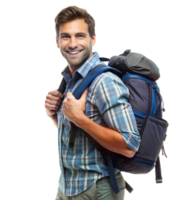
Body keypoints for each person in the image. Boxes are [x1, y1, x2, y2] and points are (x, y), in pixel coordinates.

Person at [44, 5, 141, 200]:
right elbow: (76, 139)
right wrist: (53, 115)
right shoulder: (70, 78)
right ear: (57, 42)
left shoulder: (104, 81)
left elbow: (130, 145)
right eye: (66, 36)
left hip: (97, 189)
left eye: (80, 36)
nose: (72, 43)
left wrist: (80, 119)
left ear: (92, 40)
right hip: (67, 186)